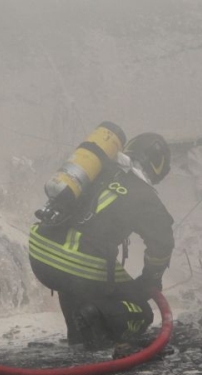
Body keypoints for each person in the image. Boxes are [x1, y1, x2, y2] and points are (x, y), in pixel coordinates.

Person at [28, 131, 175, 354]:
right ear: (157, 165)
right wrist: (149, 280)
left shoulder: (97, 171)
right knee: (141, 312)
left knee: (76, 272)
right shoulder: (143, 195)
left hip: (39, 252)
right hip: (75, 263)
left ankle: (79, 334)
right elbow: (162, 244)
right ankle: (95, 316)